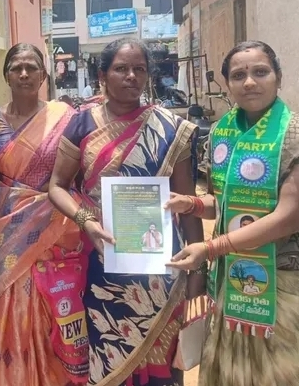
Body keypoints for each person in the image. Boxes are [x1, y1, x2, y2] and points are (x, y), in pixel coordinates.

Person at [48, 37, 204, 385]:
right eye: (121, 68)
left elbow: (187, 200)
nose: (131, 76)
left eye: (139, 69)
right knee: (108, 356)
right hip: (102, 259)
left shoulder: (170, 128)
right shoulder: (82, 123)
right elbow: (56, 185)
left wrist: (198, 268)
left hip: (161, 266)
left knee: (163, 362)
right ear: (102, 75)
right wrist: (86, 222)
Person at [164, 40, 299, 386]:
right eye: (239, 75)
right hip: (231, 279)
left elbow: (290, 216)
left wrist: (211, 248)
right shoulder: (222, 133)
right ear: (227, 83)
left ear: (278, 77)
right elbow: (224, 203)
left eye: (261, 72)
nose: (249, 82)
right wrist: (192, 204)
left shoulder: (297, 134)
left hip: (281, 279)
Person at [0, 43, 89, 386]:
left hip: (56, 228)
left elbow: (78, 173)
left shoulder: (65, 116)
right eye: (16, 67)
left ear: (43, 75)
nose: (24, 74)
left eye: (31, 67)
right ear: (6, 75)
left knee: (55, 303)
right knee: (15, 303)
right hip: (10, 232)